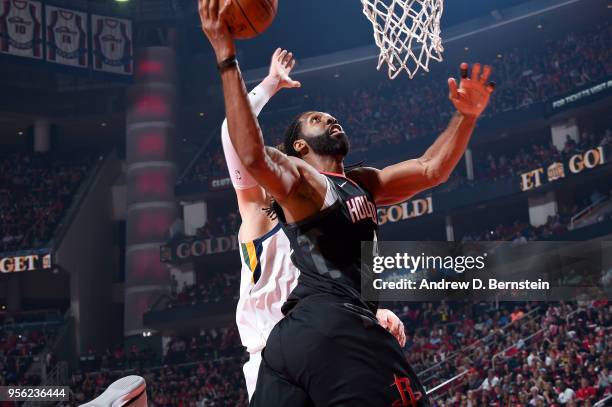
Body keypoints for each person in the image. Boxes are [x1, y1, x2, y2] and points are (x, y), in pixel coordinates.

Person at [198, 1, 494, 405]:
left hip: (311, 334)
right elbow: (240, 147)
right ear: (298, 146)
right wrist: (251, 74)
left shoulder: (359, 184)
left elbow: (430, 169)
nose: (331, 119)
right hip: (295, 336)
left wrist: (467, 117)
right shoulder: (277, 195)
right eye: (318, 119)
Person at [224, 49, 407, 400]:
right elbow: (233, 135)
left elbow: (349, 275)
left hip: (335, 343)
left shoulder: (334, 205)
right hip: (275, 355)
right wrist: (269, 84)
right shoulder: (258, 212)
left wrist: (375, 309)